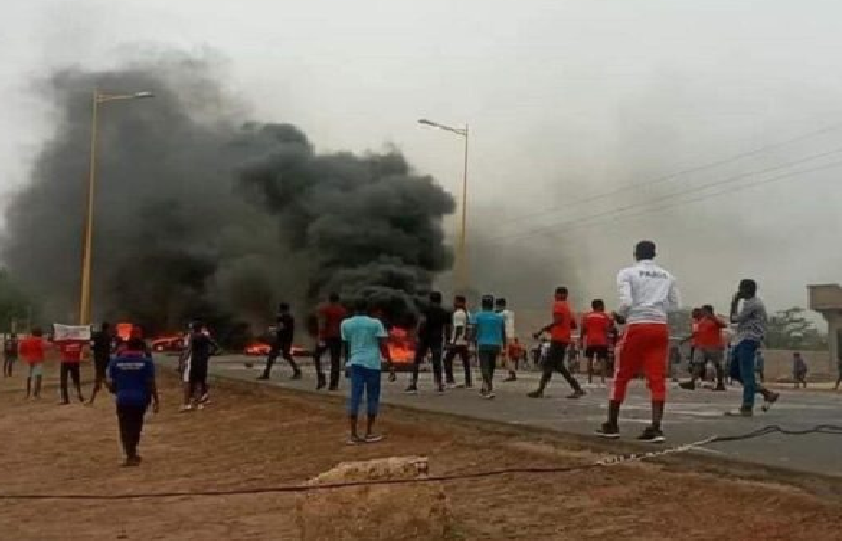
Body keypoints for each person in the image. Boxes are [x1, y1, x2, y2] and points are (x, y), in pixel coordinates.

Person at [596, 240, 680, 443]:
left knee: (621, 374)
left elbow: (626, 302)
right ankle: (656, 427)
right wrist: (656, 309)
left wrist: (620, 314)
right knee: (657, 378)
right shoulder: (668, 275)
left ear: (635, 254)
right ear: (654, 254)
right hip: (660, 327)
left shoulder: (627, 273)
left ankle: (612, 424)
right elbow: (675, 305)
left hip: (637, 325)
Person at [341, 298, 394, 444]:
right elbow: (383, 345)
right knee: (372, 398)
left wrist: (347, 363)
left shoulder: (346, 324)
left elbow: (346, 346)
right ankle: (369, 432)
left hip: (356, 363)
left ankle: (353, 434)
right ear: (367, 309)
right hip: (373, 364)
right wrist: (390, 365)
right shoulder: (375, 323)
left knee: (355, 397)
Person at [726, 279, 779, 416]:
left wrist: (734, 302)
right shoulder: (749, 303)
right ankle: (766, 393)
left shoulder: (754, 304)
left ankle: (747, 406)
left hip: (750, 339)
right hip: (742, 339)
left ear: (748, 290)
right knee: (733, 371)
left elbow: (734, 319)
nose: (739, 291)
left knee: (747, 374)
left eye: (741, 289)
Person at [106, 335, 159, 466]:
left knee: (124, 427)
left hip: (123, 399)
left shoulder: (116, 362)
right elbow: (150, 383)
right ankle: (133, 453)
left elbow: (112, 386)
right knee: (136, 426)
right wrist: (156, 400)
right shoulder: (147, 363)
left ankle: (129, 455)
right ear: (141, 347)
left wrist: (111, 387)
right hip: (140, 399)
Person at [529, 287, 585, 399]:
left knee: (550, 364)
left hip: (558, 339)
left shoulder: (558, 305)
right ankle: (542, 389)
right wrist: (562, 327)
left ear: (560, 295)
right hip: (564, 339)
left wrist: (542, 330)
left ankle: (576, 388)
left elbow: (558, 320)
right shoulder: (568, 307)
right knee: (556, 365)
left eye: (556, 294)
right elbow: (573, 324)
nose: (555, 296)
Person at [407, 291, 450, 394]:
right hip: (437, 339)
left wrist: (416, 333)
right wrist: (447, 340)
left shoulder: (426, 310)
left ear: (430, 300)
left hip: (425, 338)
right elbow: (447, 327)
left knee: (417, 361)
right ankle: (439, 385)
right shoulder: (444, 312)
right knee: (437, 362)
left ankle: (413, 384)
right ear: (440, 300)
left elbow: (422, 322)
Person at [680, 305, 727, 391]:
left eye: (703, 310)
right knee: (697, 364)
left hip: (714, 346)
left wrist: (713, 318)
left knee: (718, 365)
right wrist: (686, 339)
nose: (702, 312)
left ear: (708, 311)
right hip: (701, 346)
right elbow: (697, 333)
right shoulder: (702, 320)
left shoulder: (715, 319)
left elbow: (724, 325)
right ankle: (692, 382)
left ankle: (720, 384)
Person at [472, 295, 506, 399]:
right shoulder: (499, 317)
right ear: (492, 305)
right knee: (491, 368)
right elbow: (503, 333)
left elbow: (474, 331)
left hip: (483, 344)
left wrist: (472, 342)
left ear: (482, 304)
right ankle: (484, 388)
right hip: (496, 345)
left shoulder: (477, 316)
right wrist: (504, 346)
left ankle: (490, 389)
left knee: (485, 368)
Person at [181, 322, 220, 412]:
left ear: (194, 329)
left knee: (191, 383)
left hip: (194, 362)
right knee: (199, 383)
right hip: (203, 363)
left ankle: (188, 404)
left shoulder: (193, 338)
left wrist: (184, 360)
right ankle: (199, 404)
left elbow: (189, 350)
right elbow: (216, 346)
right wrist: (209, 354)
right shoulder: (205, 337)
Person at [259, 302, 301, 381]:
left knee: (274, 355)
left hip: (282, 339)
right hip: (286, 339)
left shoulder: (282, 318)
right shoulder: (290, 318)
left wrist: (272, 330)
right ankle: (297, 371)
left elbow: (281, 327)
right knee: (283, 355)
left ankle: (266, 374)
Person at [314, 293, 347, 391]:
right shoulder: (342, 310)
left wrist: (320, 337)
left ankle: (321, 378)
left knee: (316, 355)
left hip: (327, 336)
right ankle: (334, 384)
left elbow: (323, 324)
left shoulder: (325, 309)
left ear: (329, 299)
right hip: (338, 337)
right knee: (335, 360)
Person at [581, 299, 613, 385]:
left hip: (590, 341)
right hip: (602, 341)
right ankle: (602, 380)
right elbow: (607, 328)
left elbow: (583, 329)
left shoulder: (587, 316)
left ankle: (589, 380)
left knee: (590, 359)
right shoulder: (604, 316)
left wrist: (581, 339)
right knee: (603, 360)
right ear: (600, 306)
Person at [444, 295, 472, 388]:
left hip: (457, 342)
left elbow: (459, 328)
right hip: (463, 342)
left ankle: (450, 380)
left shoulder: (458, 314)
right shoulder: (467, 313)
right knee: (466, 362)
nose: (454, 303)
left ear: (460, 302)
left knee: (447, 359)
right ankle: (468, 381)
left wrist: (453, 342)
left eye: (455, 301)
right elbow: (468, 328)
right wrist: (467, 340)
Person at [56, 334, 86, 405]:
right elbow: (81, 348)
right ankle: (79, 394)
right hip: (75, 362)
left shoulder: (64, 341)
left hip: (65, 362)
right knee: (76, 379)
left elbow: (59, 349)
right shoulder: (78, 341)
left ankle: (65, 399)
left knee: (63, 381)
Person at [88, 322, 114, 405]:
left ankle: (110, 388)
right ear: (107, 328)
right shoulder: (109, 337)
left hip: (98, 359)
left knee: (100, 377)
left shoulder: (97, 335)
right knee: (101, 377)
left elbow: (92, 345)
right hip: (106, 359)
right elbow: (111, 348)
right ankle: (105, 386)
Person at [495, 298, 518, 382]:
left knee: (507, 356)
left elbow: (497, 316)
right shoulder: (510, 313)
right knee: (508, 356)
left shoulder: (501, 314)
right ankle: (511, 373)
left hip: (505, 336)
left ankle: (512, 374)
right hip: (511, 336)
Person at [19, 328, 45, 399]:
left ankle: (28, 394)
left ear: (32, 333)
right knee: (38, 376)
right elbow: (44, 348)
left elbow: (21, 349)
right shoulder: (41, 341)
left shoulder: (26, 340)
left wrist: (25, 355)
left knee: (29, 376)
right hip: (38, 360)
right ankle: (36, 394)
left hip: (29, 360)